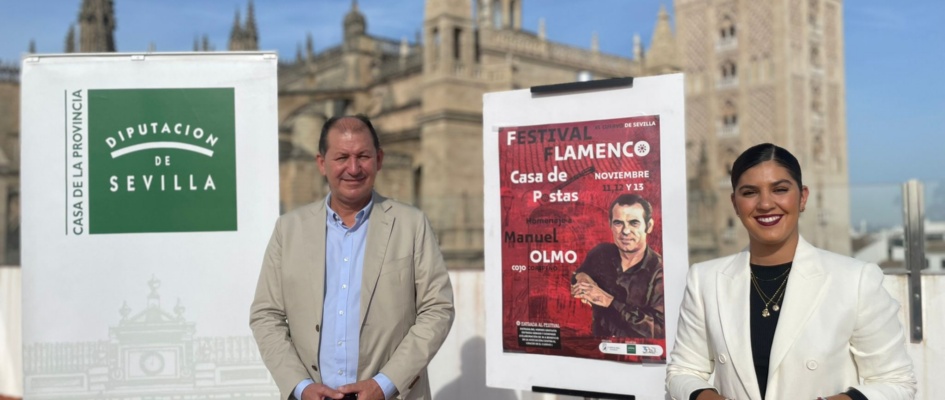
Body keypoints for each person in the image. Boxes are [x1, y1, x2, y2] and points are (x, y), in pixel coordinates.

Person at [666, 143, 916, 400]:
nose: (765, 204)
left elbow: (896, 382)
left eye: (780, 190)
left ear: (803, 197)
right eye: (750, 192)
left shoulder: (854, 279)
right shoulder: (705, 279)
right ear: (734, 203)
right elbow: (682, 372)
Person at [250, 115, 455, 400]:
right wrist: (299, 386)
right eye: (342, 157)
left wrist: (384, 384)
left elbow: (438, 309)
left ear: (379, 159)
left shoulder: (411, 225)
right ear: (322, 163)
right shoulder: (289, 229)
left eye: (363, 156)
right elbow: (266, 315)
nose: (354, 168)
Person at [571, 193, 665, 339]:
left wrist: (609, 301)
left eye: (634, 223)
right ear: (610, 225)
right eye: (618, 223)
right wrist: (582, 278)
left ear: (649, 226)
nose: (625, 231)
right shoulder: (600, 253)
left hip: (635, 355)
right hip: (596, 349)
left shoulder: (660, 271)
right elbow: (579, 273)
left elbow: (659, 330)